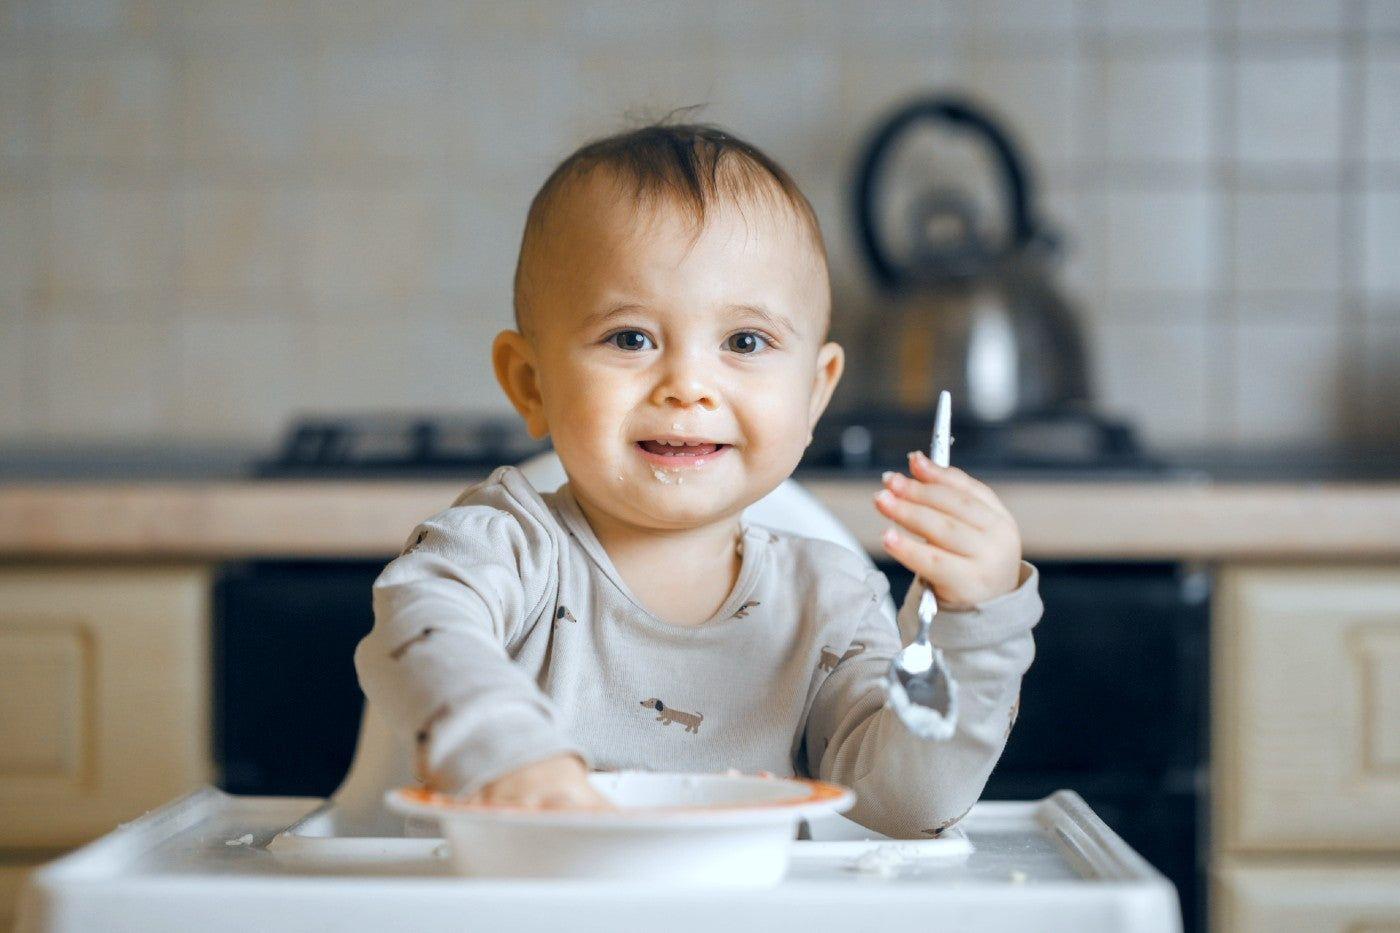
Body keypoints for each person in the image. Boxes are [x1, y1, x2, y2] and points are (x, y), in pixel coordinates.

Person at [354, 121, 1042, 838]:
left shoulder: (828, 604)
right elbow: (422, 625)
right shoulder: (503, 550)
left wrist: (974, 628)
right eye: (631, 338)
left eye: (745, 342)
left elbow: (904, 803)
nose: (688, 386)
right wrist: (508, 757)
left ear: (814, 393)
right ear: (531, 383)